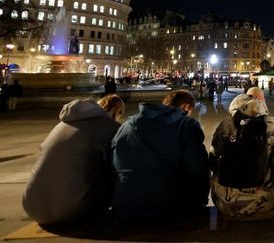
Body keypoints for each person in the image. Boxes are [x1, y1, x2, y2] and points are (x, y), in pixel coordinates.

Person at [22, 96, 124, 224]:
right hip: (72, 210)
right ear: (117, 112)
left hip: (31, 206)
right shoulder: (109, 127)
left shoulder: (62, 125)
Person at [111, 90, 209, 221]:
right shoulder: (186, 125)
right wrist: (200, 201)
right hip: (170, 207)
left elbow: (114, 163)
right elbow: (198, 170)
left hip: (125, 205)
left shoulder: (127, 125)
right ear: (186, 107)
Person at [210, 87, 274, 218]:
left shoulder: (225, 125)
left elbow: (212, 159)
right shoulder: (272, 124)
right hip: (264, 202)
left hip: (224, 202)